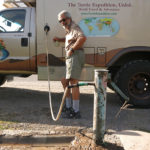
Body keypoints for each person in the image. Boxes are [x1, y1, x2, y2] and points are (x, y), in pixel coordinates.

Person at [53, 10, 86, 119]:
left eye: (63, 20)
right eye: (60, 21)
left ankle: (76, 111)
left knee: (73, 83)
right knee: (64, 80)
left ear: (69, 19)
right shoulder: (68, 30)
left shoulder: (74, 27)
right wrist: (59, 39)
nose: (62, 22)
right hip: (70, 58)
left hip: (75, 56)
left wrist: (71, 49)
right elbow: (71, 39)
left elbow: (82, 38)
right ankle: (68, 106)